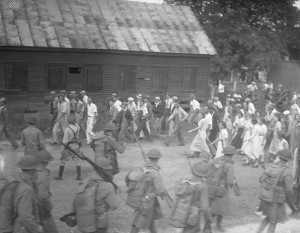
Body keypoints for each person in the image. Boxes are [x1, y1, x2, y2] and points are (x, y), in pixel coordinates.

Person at [73, 157, 120, 233]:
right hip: (100, 222)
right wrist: (118, 193)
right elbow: (114, 206)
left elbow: (76, 200)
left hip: (87, 221)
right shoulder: (108, 186)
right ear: (106, 170)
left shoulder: (86, 181)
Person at [256, 149, 294, 233]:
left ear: (279, 157)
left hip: (266, 196)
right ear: (287, 160)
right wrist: (291, 199)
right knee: (273, 221)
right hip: (276, 200)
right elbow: (289, 189)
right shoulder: (287, 171)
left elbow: (260, 179)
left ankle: (258, 231)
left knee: (269, 217)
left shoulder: (271, 166)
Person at [130, 148, 165, 233]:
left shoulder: (143, 168)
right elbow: (160, 190)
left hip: (140, 197)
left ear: (149, 157)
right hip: (147, 202)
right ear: (158, 159)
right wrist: (149, 197)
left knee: (150, 220)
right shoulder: (155, 173)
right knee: (138, 223)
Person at [205, 145, 236, 232]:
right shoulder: (229, 165)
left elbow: (207, 170)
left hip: (211, 188)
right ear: (231, 155)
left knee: (215, 207)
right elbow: (230, 181)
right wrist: (233, 182)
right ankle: (212, 226)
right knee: (219, 208)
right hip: (222, 190)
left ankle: (211, 225)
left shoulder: (216, 160)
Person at [13, 155, 43, 233]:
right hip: (22, 229)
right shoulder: (26, 189)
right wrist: (37, 229)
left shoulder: (17, 181)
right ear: (33, 171)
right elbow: (25, 217)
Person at [181, 161, 211, 233]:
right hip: (193, 215)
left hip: (182, 211)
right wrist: (208, 218)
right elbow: (205, 208)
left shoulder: (186, 181)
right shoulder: (203, 186)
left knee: (186, 230)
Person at [36, 150, 59, 233]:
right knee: (51, 229)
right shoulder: (43, 174)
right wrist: (48, 206)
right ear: (47, 162)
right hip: (41, 205)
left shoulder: (32, 171)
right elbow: (42, 195)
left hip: (33, 204)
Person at [55, 115, 82, 180]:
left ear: (68, 121)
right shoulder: (78, 127)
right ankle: (79, 176)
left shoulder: (68, 129)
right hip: (76, 146)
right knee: (77, 161)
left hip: (69, 147)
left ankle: (60, 176)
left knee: (62, 161)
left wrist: (62, 150)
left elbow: (65, 141)